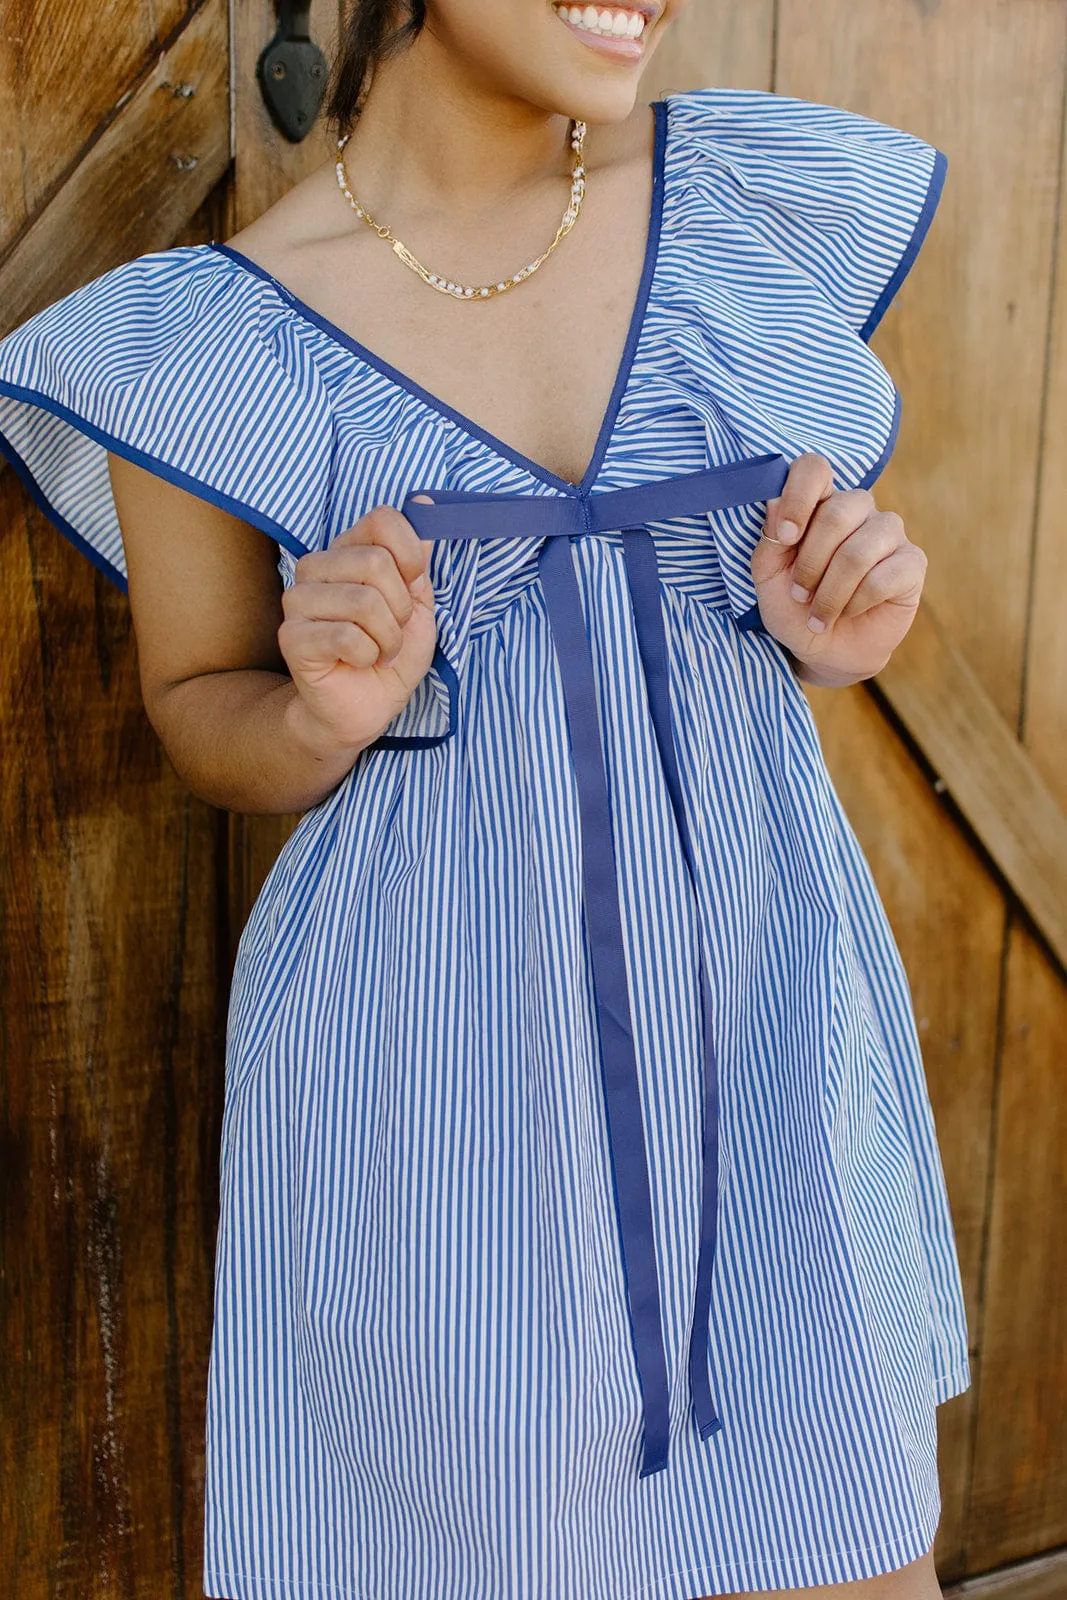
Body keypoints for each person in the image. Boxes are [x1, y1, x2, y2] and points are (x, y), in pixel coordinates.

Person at [0, 2, 972, 1596]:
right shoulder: (206, 336)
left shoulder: (741, 205)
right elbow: (199, 714)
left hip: (761, 1022)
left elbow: (795, 591)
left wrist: (832, 638)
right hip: (438, 1071)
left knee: (847, 1548)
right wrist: (322, 710)